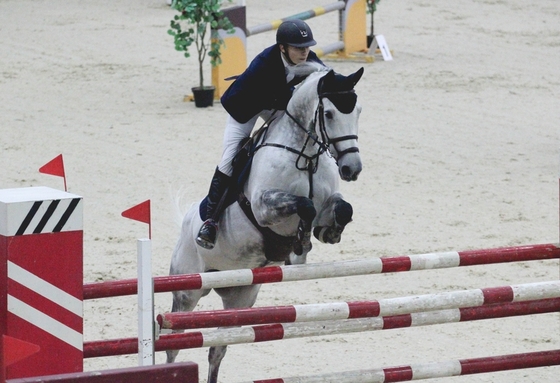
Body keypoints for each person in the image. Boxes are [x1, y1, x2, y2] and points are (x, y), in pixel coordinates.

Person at [196, 19, 326, 250]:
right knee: (230, 159)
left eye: (306, 46)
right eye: (298, 47)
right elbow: (284, 96)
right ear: (282, 48)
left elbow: (326, 79)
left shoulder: (310, 59)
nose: (304, 51)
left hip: (277, 106)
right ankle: (211, 221)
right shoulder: (264, 65)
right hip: (246, 107)